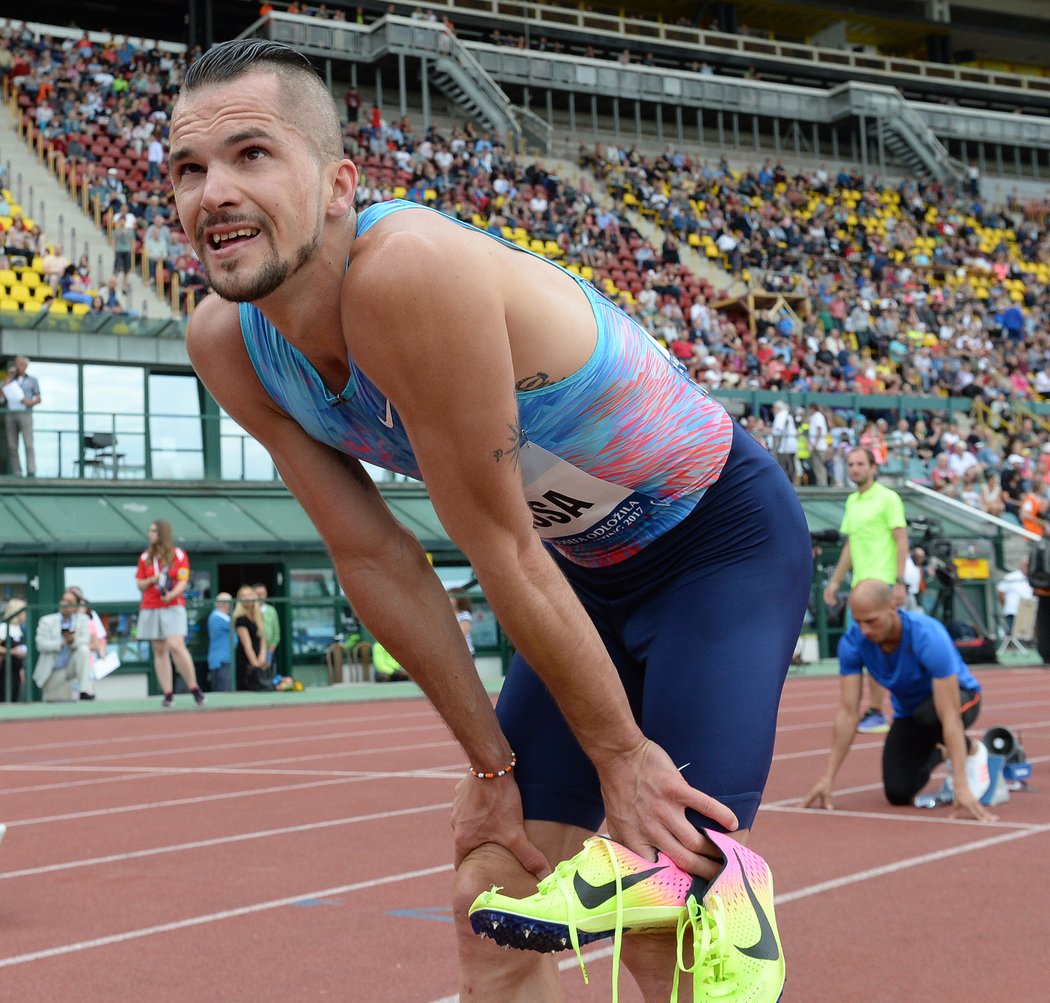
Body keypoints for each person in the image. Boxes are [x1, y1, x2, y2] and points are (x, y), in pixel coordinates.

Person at [171, 39, 811, 1002]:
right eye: (188, 168)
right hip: (581, 579)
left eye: (251, 155)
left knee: (658, 921)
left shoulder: (408, 273)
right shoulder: (227, 343)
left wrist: (625, 760)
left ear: (340, 183)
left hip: (716, 546)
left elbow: (497, 543)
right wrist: (489, 763)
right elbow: (374, 555)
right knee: (491, 895)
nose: (211, 191)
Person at [803, 580, 996, 822]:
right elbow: (848, 711)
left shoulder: (927, 635)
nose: (864, 630)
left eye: (871, 621)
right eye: (858, 621)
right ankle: (940, 751)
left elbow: (949, 716)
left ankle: (973, 749)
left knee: (931, 715)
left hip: (961, 698)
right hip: (910, 711)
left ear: (893, 607)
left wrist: (961, 785)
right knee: (898, 791)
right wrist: (828, 778)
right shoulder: (853, 642)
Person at [822, 446, 908, 735]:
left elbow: (901, 539)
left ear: (873, 467)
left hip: (882, 585)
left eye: (860, 464)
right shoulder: (852, 502)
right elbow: (850, 545)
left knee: (882, 650)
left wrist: (899, 581)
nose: (855, 468)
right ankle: (870, 710)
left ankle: (879, 710)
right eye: (851, 464)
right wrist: (835, 582)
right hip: (859, 588)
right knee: (860, 650)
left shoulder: (888, 499)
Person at [135, 519, 206, 708]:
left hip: (172, 605)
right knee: (159, 649)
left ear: (162, 533)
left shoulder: (178, 554)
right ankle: (167, 692)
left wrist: (172, 594)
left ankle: (193, 687)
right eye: (150, 530)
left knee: (175, 645)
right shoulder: (145, 558)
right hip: (151, 606)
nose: (150, 534)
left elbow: (183, 579)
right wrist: (152, 579)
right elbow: (140, 583)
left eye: (153, 531)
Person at [32, 590, 91, 702]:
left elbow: (86, 640)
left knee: (84, 650)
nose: (65, 603)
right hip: (54, 669)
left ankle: (84, 690)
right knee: (57, 707)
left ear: (76, 605)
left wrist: (72, 640)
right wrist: (62, 643)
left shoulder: (82, 619)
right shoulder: (47, 620)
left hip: (72, 666)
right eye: (63, 600)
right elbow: (41, 644)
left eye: (69, 601)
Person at [3, 355, 42, 477]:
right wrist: (9, 377)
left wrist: (29, 402)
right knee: (12, 445)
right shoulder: (10, 380)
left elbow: (38, 398)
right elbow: (2, 391)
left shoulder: (32, 380)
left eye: (20, 364)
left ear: (25, 365)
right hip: (11, 414)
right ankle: (17, 471)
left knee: (28, 444)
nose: (17, 366)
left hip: (25, 413)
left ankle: (31, 471)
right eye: (16, 364)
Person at [233, 584, 268, 690]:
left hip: (259, 657)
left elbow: (263, 638)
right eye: (243, 596)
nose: (246, 598)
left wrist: (262, 656)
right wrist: (256, 665)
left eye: (249, 595)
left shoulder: (259, 616)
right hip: (246, 660)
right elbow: (247, 646)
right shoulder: (240, 619)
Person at [997, 560, 1034, 640]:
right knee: (1011, 635)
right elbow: (1000, 592)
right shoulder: (1011, 577)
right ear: (1021, 566)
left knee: (1027, 636)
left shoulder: (1033, 577)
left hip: (1029, 611)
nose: (1028, 567)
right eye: (1026, 565)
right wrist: (1005, 605)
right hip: (1013, 611)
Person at [1, 598, 28, 703]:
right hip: (4, 671)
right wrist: (12, 651)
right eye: (23, 611)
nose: (25, 614)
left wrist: (21, 671)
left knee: (15, 698)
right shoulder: (4, 628)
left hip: (16, 671)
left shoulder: (19, 629)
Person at [207, 592, 234, 691]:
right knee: (224, 690)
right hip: (221, 662)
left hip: (225, 660)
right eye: (224, 602)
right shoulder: (217, 618)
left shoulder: (224, 617)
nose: (227, 605)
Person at [253, 582, 281, 673]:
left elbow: (276, 633)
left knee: (267, 676)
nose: (260, 596)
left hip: (268, 650)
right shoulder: (249, 611)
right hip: (253, 650)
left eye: (263, 593)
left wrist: (270, 650)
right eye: (258, 594)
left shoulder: (271, 611)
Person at [449, 592, 475, 657]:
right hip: (453, 653)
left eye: (451, 597)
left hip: (465, 654)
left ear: (459, 600)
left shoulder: (465, 615)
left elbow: (462, 633)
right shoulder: (448, 615)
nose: (448, 599)